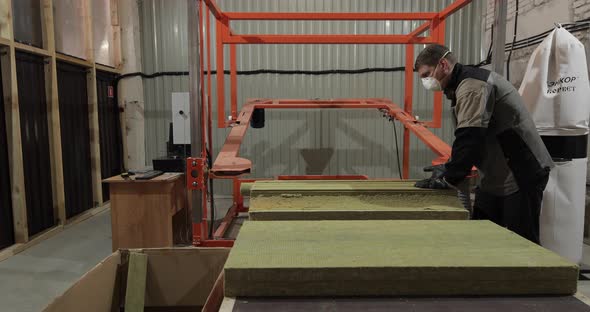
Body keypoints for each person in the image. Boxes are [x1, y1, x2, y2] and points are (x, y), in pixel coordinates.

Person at [413, 44, 554, 244]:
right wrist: (451, 168)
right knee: (483, 237)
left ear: (443, 64)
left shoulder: (472, 85)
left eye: (426, 74)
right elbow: (470, 137)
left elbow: (470, 137)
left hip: (520, 172)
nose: (426, 82)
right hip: (495, 176)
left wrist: (449, 178)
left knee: (523, 244)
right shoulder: (462, 85)